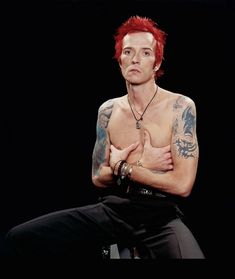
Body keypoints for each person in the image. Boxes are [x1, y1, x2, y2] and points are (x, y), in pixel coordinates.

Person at [5, 15, 205, 258]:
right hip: (114, 210)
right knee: (19, 238)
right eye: (128, 52)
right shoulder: (108, 110)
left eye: (145, 53)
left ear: (156, 63)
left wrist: (125, 167)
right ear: (120, 61)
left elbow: (182, 185)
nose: (135, 59)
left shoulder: (180, 106)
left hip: (159, 216)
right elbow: (98, 176)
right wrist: (141, 165)